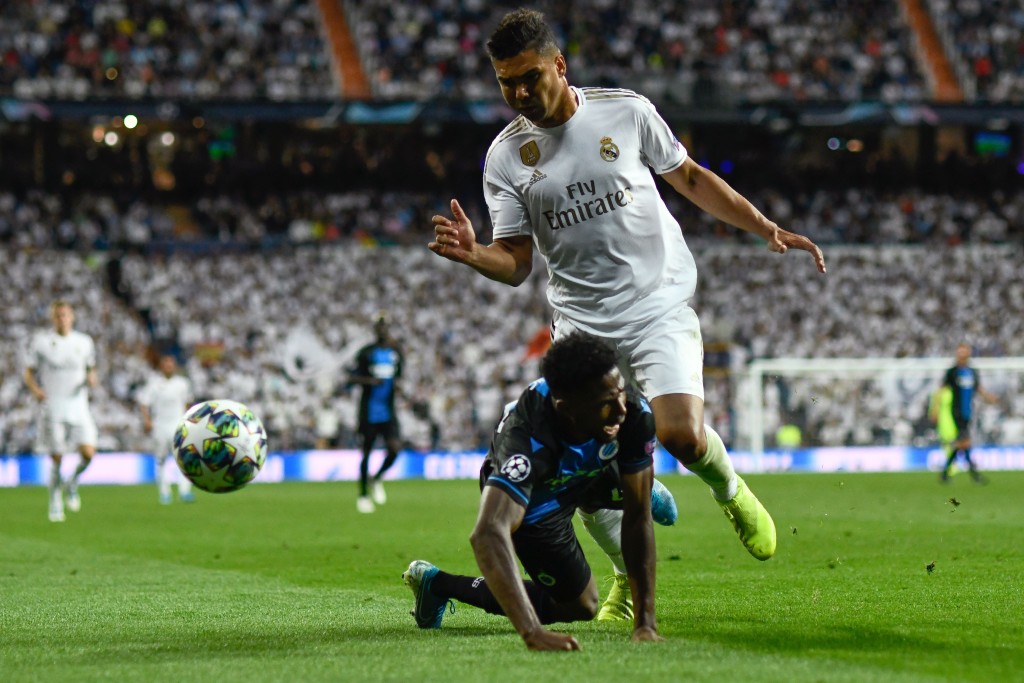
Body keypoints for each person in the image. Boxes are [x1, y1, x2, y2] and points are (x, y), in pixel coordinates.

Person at [429, 8, 825, 570]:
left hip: (655, 304)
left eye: (530, 77)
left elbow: (690, 177)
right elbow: (515, 263)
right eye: (506, 82)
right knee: (579, 465)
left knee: (682, 437)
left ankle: (729, 489)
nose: (519, 93)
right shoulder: (505, 157)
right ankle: (624, 578)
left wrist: (765, 227)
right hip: (581, 327)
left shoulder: (625, 111)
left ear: (559, 66)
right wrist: (475, 254)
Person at [402, 332, 663, 651]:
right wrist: (531, 632)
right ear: (567, 408)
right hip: (539, 497)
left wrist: (645, 624)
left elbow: (637, 518)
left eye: (621, 393)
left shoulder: (632, 412)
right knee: (582, 606)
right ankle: (438, 584)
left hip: (588, 469)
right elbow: (488, 533)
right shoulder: (525, 442)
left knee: (637, 494)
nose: (621, 409)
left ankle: (633, 484)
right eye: (607, 404)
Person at [23, 301, 100, 522]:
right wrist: (36, 390)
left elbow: (90, 368)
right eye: (58, 315)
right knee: (57, 456)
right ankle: (55, 500)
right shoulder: (42, 342)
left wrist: (92, 378)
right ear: (52, 318)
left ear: (72, 317)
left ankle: (72, 481)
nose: (62, 319)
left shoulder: (84, 342)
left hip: (78, 405)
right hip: (54, 405)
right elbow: (28, 372)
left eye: (65, 315)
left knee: (88, 453)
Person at [349, 314, 404, 513]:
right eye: (379, 326)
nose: (382, 329)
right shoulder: (366, 353)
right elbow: (352, 377)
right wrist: (370, 381)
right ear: (375, 329)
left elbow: (399, 376)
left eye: (385, 326)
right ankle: (363, 495)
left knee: (395, 449)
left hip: (388, 411)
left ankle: (377, 477)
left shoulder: (396, 352)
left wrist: (398, 387)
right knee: (366, 453)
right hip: (369, 411)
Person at [937, 344, 998, 483]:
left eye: (964, 353)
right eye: (960, 353)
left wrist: (989, 397)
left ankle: (945, 474)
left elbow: (978, 388)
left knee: (962, 443)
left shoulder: (972, 371)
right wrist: (936, 407)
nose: (962, 355)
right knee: (964, 441)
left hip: (969, 410)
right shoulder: (952, 372)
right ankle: (974, 475)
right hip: (957, 410)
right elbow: (942, 389)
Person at [137, 354, 194, 504]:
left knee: (184, 459)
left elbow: (188, 403)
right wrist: (147, 420)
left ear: (174, 366)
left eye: (171, 364)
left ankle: (184, 491)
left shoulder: (182, 383)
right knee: (161, 459)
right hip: (160, 425)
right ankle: (164, 493)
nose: (169, 367)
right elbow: (144, 403)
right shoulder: (154, 383)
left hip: (178, 425)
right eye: (166, 364)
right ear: (161, 366)